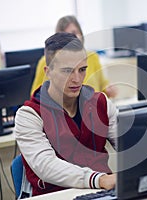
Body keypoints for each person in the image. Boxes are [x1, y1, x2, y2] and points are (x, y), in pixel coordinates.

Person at [14, 32, 117, 197]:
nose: (77, 79)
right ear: (48, 71)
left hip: (102, 193)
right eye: (67, 71)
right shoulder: (29, 115)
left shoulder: (101, 104)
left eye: (82, 70)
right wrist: (99, 179)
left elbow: (129, 142)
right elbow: (46, 166)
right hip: (56, 195)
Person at [31, 15, 118, 98]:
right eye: (65, 35)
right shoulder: (45, 61)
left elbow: (103, 86)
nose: (71, 39)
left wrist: (109, 91)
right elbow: (36, 94)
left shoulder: (93, 57)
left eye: (74, 33)